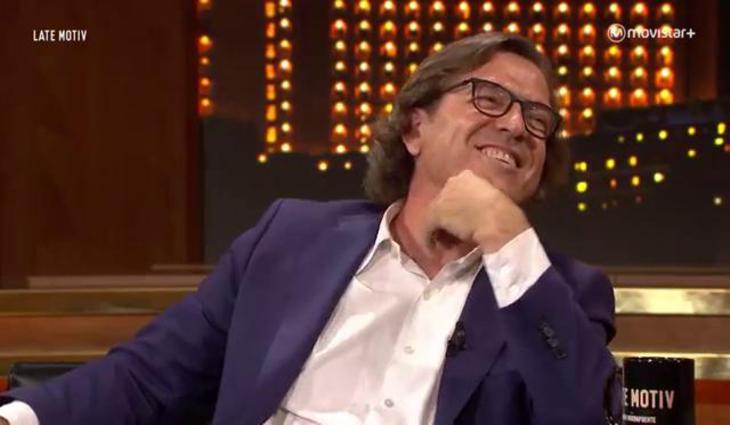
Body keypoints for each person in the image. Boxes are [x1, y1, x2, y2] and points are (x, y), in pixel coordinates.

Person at [0, 32, 621, 425]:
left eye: (539, 120)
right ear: (415, 128)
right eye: (488, 97)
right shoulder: (289, 240)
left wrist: (504, 234)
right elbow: (148, 378)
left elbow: (581, 416)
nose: (516, 125)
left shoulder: (562, 295)